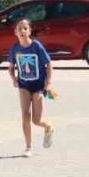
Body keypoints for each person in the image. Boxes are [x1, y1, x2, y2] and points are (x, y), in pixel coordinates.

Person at [7, 18, 54, 158]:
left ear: (30, 31)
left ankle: (48, 127)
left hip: (38, 86)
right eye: (19, 28)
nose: (22, 31)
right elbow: (11, 67)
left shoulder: (37, 46)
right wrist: (14, 79)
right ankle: (28, 147)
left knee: (36, 120)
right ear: (15, 32)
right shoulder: (15, 48)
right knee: (25, 115)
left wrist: (49, 83)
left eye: (25, 28)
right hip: (23, 85)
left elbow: (49, 65)